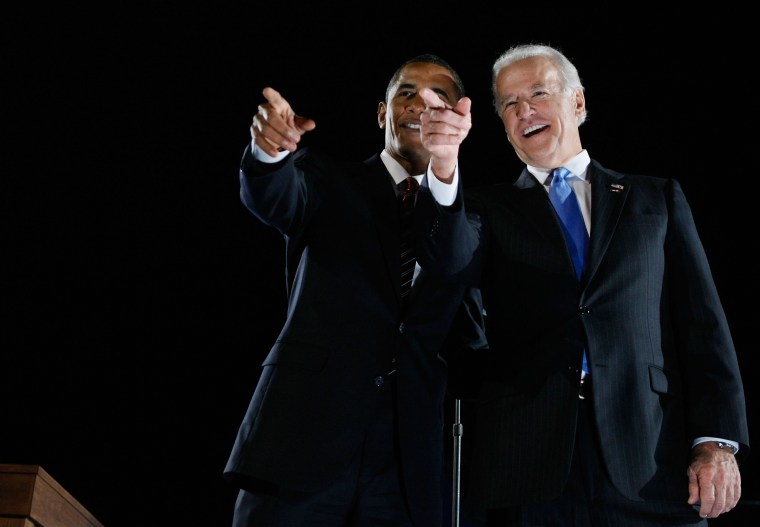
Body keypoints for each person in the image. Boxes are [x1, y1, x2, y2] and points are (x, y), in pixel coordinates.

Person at [418, 43, 750, 526]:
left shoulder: (655, 198)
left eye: (537, 93)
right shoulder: (485, 210)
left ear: (578, 103)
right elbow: (447, 263)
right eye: (509, 103)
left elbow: (704, 327)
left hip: (652, 459)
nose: (523, 109)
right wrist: (444, 164)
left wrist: (717, 441)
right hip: (531, 469)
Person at [223, 54, 473, 527]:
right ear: (382, 114)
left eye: (437, 97)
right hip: (302, 438)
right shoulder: (323, 178)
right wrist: (270, 153)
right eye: (406, 93)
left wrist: (445, 169)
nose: (421, 103)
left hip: (405, 466)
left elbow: (453, 261)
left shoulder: (465, 214)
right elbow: (275, 196)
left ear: (460, 118)